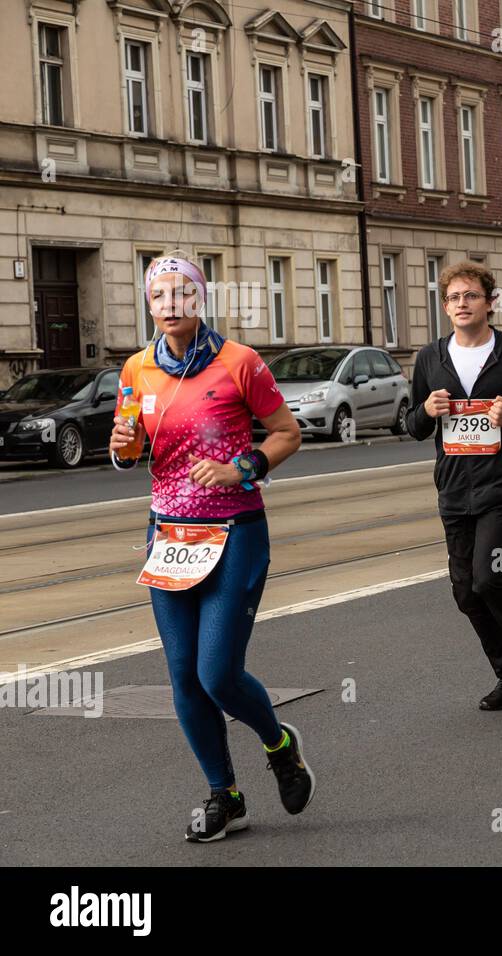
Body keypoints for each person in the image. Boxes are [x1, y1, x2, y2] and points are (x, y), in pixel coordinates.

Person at [109, 253, 313, 843]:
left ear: (201, 300)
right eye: (159, 296)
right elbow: (129, 452)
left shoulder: (239, 362)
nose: (170, 305)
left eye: (182, 294)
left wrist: (241, 468)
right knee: (182, 677)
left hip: (235, 534)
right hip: (169, 537)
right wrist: (122, 445)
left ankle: (279, 744)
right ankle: (225, 793)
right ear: (148, 305)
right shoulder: (136, 370)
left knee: (217, 673)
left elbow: (287, 433)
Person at [408, 261, 502, 711]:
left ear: (490, 302)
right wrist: (426, 412)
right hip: (454, 491)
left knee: (490, 578)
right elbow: (412, 426)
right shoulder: (429, 358)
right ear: (444, 306)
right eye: (454, 298)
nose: (462, 304)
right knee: (464, 592)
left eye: (470, 296)